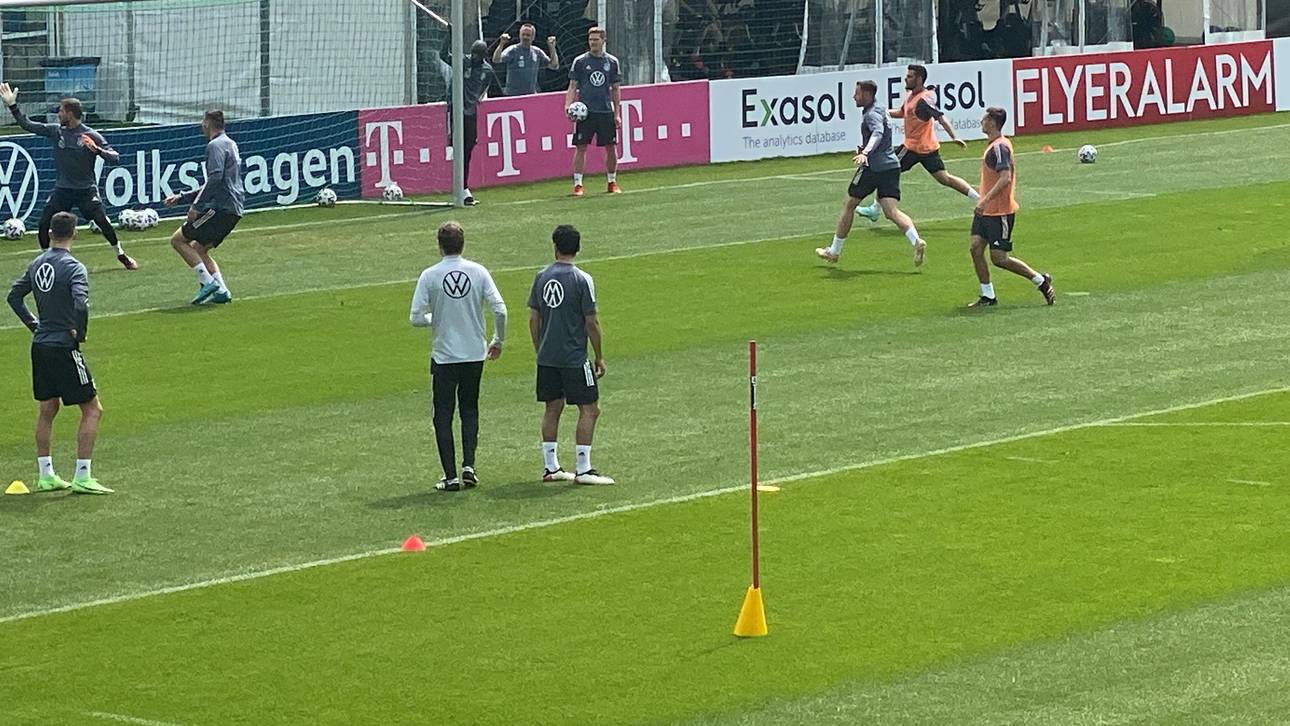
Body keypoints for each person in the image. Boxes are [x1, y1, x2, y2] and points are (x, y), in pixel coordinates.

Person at [7, 212, 112, 494]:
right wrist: (81, 331)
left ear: (51, 233)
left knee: (47, 408)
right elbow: (80, 304)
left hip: (40, 345)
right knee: (92, 410)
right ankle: (82, 475)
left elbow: (13, 297)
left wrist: (33, 325)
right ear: (74, 234)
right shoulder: (74, 268)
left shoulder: (36, 263)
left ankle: (46, 474)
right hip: (63, 346)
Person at [409, 222, 508, 492]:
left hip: (444, 356)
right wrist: (498, 340)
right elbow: (500, 310)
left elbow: (416, 317)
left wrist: (437, 319)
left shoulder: (430, 275)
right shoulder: (478, 271)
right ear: (462, 244)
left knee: (442, 415)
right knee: (469, 409)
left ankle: (450, 476)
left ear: (439, 245)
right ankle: (469, 466)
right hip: (474, 354)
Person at [0, 83, 138, 271]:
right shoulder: (56, 131)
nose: (58, 114)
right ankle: (46, 261)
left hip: (86, 190)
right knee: (43, 223)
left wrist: (97, 150)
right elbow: (27, 125)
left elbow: (116, 158)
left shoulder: (91, 135)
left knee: (102, 221)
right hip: (63, 189)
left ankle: (121, 255)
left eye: (61, 111)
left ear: (70, 113)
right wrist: (12, 106)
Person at [528, 224, 613, 485]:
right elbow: (591, 322)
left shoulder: (541, 277)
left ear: (555, 246)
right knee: (590, 408)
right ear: (578, 248)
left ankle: (551, 466)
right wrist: (598, 355)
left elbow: (534, 318)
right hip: (574, 357)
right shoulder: (582, 279)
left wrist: (540, 348)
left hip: (547, 357)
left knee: (552, 407)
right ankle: (584, 469)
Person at [815, 80, 927, 268]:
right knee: (891, 212)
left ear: (867, 94)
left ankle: (834, 251)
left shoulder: (871, 114)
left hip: (874, 167)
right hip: (892, 165)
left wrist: (865, 152)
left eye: (857, 94)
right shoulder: (881, 108)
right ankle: (916, 241)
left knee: (849, 204)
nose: (854, 97)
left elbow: (878, 133)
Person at [856, 64, 977, 222]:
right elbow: (901, 112)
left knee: (886, 171)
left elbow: (940, 117)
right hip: (927, 148)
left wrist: (954, 136)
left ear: (919, 79)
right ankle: (980, 199)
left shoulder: (924, 100)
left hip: (913, 148)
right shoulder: (910, 95)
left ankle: (875, 210)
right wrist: (882, 112)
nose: (906, 78)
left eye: (910, 76)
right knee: (944, 178)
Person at [968, 107, 1055, 307]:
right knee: (975, 248)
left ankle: (1041, 281)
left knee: (999, 259)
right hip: (986, 212)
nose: (982, 121)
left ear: (992, 122)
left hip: (1000, 212)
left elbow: (1005, 178)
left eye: (985, 118)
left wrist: (984, 200)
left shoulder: (1000, 147)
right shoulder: (994, 146)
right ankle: (988, 296)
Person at [163, 110, 244, 306]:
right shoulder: (229, 143)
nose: (201, 125)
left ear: (208, 122)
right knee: (199, 249)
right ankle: (222, 290)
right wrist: (182, 197)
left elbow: (215, 179)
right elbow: (217, 180)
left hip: (219, 208)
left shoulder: (215, 146)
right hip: (234, 209)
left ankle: (207, 283)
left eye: (203, 121)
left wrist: (195, 206)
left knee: (177, 240)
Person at [440, 29, 497, 206]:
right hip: (455, 110)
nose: (474, 57)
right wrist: (449, 35)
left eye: (477, 55)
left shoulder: (487, 70)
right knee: (457, 149)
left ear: (483, 56)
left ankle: (463, 187)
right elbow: (444, 55)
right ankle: (461, 188)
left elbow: (485, 88)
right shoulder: (462, 61)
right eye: (473, 53)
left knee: (468, 149)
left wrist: (477, 98)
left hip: (471, 113)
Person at [565, 27, 623, 197]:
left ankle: (612, 181)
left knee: (610, 146)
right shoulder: (580, 61)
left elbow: (616, 89)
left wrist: (617, 113)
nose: (593, 43)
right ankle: (578, 184)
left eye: (596, 40)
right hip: (586, 112)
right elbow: (573, 85)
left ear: (603, 41)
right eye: (590, 40)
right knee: (581, 146)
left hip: (605, 111)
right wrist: (568, 105)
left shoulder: (612, 62)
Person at [493, 23, 560, 96]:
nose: (525, 37)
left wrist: (552, 48)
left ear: (533, 37)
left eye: (528, 35)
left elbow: (554, 66)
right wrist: (501, 43)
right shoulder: (513, 50)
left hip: (530, 95)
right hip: (512, 95)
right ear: (519, 35)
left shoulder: (537, 51)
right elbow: (496, 60)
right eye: (523, 34)